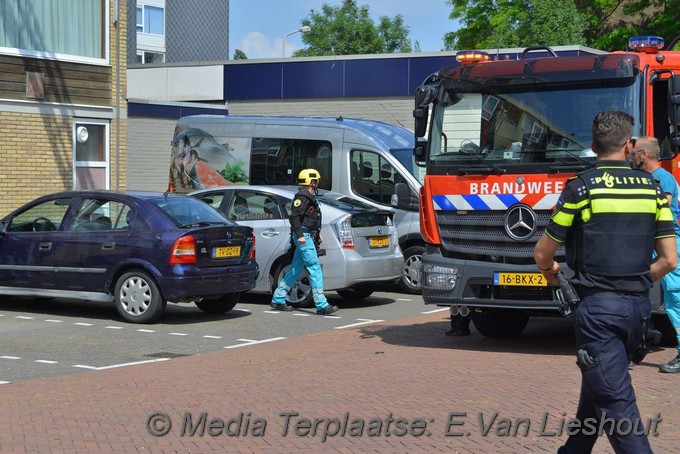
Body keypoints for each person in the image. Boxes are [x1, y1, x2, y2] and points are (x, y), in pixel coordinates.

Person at [534, 111, 677, 453]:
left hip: (598, 310)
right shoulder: (654, 189)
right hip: (638, 311)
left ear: (594, 145)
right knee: (598, 385)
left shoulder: (581, 188)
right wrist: (639, 280)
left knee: (617, 404)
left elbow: (543, 253)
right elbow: (670, 259)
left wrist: (551, 270)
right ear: (628, 146)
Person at [631, 136, 680, 373]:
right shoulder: (647, 179)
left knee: (676, 299)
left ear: (644, 154)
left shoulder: (664, 178)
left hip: (667, 244)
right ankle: (640, 344)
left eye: (634, 153)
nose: (631, 157)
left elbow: (661, 206)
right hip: (649, 244)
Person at [271, 168, 339, 316]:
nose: (317, 183)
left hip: (308, 235)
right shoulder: (302, 198)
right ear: (311, 181)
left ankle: (278, 298)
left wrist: (317, 234)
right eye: (316, 181)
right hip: (304, 237)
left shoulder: (307, 197)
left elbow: (309, 219)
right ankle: (321, 304)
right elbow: (294, 217)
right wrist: (301, 235)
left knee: (296, 269)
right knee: (314, 268)